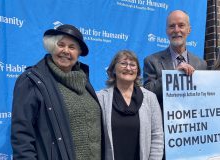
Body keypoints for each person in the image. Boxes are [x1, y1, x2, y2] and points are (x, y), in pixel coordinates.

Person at [11, 24, 103, 160]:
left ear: (79, 53)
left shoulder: (83, 81)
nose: (66, 51)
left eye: (72, 47)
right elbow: (22, 136)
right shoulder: (31, 80)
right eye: (61, 45)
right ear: (51, 47)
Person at [97, 50, 164, 160]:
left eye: (133, 65)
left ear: (137, 71)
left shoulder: (150, 98)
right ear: (113, 69)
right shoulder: (100, 98)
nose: (128, 68)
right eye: (123, 63)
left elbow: (157, 135)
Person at [143, 10, 207, 108]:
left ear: (189, 30)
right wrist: (172, 76)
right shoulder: (151, 61)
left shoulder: (201, 64)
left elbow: (204, 97)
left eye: (181, 25)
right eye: (172, 26)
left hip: (193, 121)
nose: (176, 30)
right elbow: (147, 95)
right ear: (166, 31)